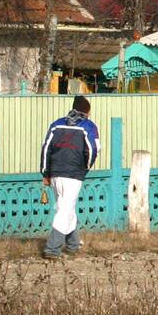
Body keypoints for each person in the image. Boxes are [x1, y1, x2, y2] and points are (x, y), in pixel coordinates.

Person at [40, 95, 101, 259]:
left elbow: (46, 148)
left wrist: (45, 172)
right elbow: (93, 149)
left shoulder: (56, 125)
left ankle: (73, 244)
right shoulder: (88, 126)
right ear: (87, 111)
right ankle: (52, 249)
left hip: (54, 174)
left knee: (66, 207)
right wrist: (86, 167)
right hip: (73, 174)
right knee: (65, 209)